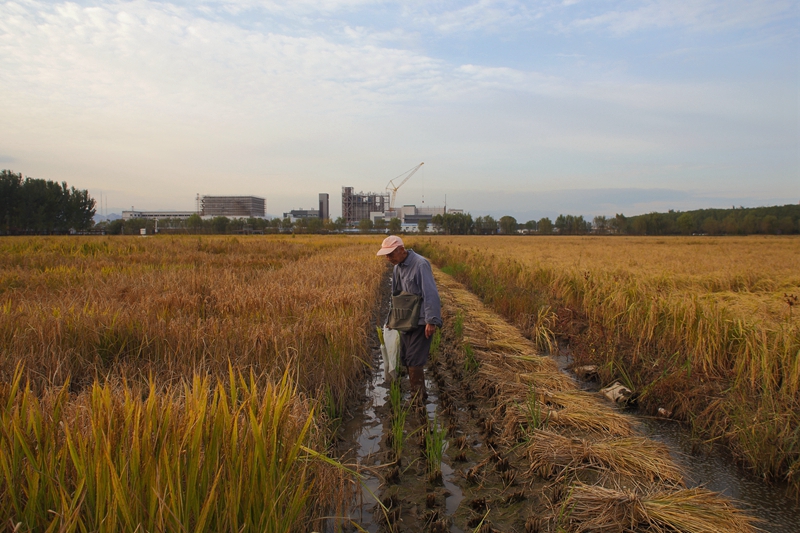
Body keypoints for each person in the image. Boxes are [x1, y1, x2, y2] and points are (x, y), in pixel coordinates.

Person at [377, 235, 442, 402]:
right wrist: (391, 320)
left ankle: (417, 399)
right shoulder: (397, 268)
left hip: (421, 321)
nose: (388, 258)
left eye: (390, 254)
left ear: (401, 249)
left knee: (414, 359)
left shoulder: (420, 264)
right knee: (406, 357)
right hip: (405, 321)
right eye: (386, 255)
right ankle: (418, 395)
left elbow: (430, 293)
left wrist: (431, 320)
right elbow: (396, 296)